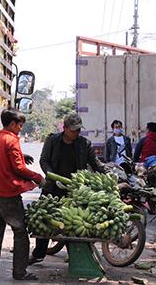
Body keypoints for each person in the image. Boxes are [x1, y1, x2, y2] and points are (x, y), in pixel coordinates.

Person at [30, 113, 106, 264]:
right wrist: (53, 176)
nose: (76, 133)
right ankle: (39, 254)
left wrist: (107, 173)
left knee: (75, 224)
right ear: (64, 128)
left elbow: (95, 163)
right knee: (45, 222)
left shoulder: (85, 144)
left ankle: (76, 257)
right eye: (73, 130)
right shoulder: (52, 141)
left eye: (78, 130)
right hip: (53, 188)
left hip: (75, 190)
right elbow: (44, 161)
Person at [0, 108, 43, 281]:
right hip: (8, 193)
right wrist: (38, 177)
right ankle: (19, 272)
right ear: (12, 124)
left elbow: (2, 157)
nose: (21, 129)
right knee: (20, 232)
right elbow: (18, 168)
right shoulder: (12, 140)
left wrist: (22, 155)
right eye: (20, 125)